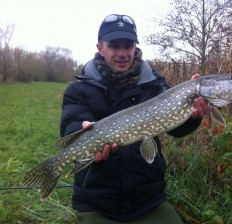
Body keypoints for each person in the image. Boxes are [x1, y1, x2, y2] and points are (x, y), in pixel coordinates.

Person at [60, 14, 209, 223]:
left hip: (148, 198)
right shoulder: (79, 89)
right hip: (97, 201)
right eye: (115, 46)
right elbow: (71, 124)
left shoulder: (155, 84)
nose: (122, 53)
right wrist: (81, 128)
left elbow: (176, 129)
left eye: (128, 46)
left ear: (135, 47)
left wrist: (193, 115)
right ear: (100, 48)